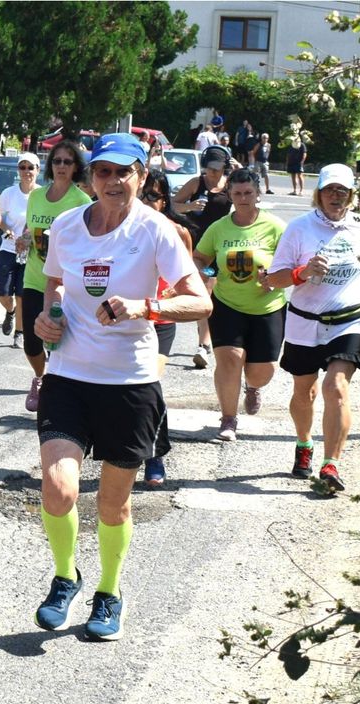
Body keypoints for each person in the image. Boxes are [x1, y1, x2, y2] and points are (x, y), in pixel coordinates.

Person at [32, 133, 211, 641]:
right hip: (68, 375)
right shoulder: (67, 226)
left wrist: (146, 307)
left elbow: (200, 302)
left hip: (130, 381)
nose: (113, 181)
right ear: (92, 178)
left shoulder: (157, 232)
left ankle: (109, 592)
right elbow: (55, 285)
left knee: (113, 504)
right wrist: (49, 319)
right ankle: (66, 576)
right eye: (104, 172)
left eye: (124, 172)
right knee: (60, 487)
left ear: (141, 176)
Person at [264, 164, 360, 492]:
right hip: (305, 322)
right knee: (304, 392)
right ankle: (304, 443)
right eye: (329, 190)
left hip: (351, 319)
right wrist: (301, 273)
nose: (336, 196)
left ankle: (331, 464)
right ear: (317, 193)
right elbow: (273, 281)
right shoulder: (299, 229)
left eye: (342, 191)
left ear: (352, 194)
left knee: (336, 387)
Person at [192, 169, 287, 442]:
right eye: (237, 193)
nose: (243, 198)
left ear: (258, 193)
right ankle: (228, 418)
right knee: (230, 358)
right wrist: (204, 272)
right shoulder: (219, 227)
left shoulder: (276, 227)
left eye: (248, 193)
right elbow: (199, 257)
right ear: (229, 195)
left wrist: (274, 277)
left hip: (267, 307)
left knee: (262, 372)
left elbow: (293, 264)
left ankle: (253, 387)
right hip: (227, 303)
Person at [137, 169, 198, 487]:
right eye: (144, 194)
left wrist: (163, 296)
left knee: (150, 385)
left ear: (165, 200)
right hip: (125, 323)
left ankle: (154, 456)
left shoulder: (178, 231)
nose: (148, 201)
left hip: (160, 322)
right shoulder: (124, 228)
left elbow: (187, 283)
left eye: (155, 196)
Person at [20, 140, 91, 411]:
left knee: (58, 337)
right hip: (34, 276)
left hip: (65, 282)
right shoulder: (37, 196)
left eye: (67, 162)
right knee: (31, 341)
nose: (61, 166)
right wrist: (25, 238)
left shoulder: (81, 201)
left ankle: (60, 385)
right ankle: (41, 377)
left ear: (76, 168)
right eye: (57, 161)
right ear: (50, 166)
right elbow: (30, 227)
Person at [174, 144, 233, 369]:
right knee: (206, 289)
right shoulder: (196, 183)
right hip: (199, 250)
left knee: (220, 295)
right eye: (209, 168)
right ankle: (204, 345)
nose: (213, 173)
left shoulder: (229, 186)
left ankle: (218, 341)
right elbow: (172, 205)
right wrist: (189, 205)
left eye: (217, 169)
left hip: (224, 247)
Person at [0, 152, 41, 349]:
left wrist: (28, 237)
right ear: (18, 170)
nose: (26, 171)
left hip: (30, 252)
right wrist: (7, 231)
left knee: (22, 295)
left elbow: (43, 220)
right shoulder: (8, 194)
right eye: (22, 167)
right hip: (8, 248)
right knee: (2, 292)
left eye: (30, 167)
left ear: (38, 170)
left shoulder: (41, 195)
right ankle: (10, 311)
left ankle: (19, 333)